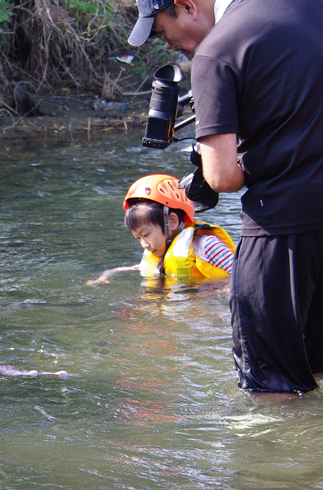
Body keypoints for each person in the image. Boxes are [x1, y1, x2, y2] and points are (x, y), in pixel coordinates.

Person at [128, 0, 323, 394]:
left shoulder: (216, 52)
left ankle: (270, 455)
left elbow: (222, 177)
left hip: (286, 222)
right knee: (316, 356)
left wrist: (212, 164)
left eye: (164, 31)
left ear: (185, 6)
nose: (169, 45)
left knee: (269, 382)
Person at [88, 174, 234, 284]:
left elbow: (243, 275)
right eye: (138, 238)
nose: (144, 244)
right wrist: (107, 274)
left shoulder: (206, 245)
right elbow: (138, 268)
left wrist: (221, 291)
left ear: (171, 222)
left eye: (146, 234)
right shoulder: (161, 254)